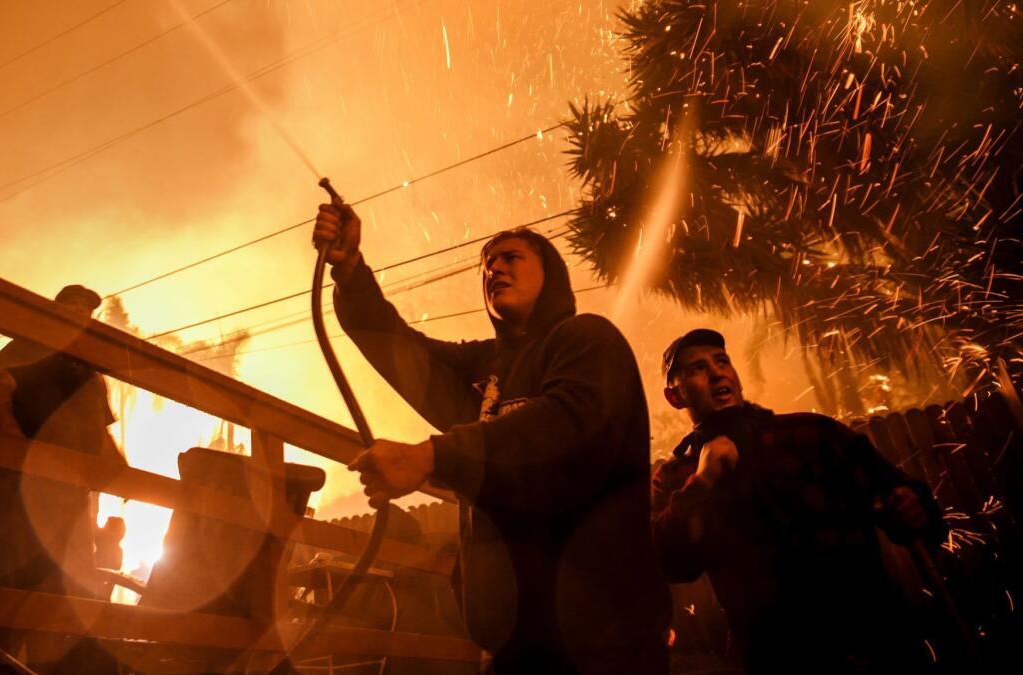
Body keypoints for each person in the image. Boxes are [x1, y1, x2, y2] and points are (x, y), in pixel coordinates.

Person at [313, 204, 671, 674]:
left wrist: (431, 456)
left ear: (552, 276)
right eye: (487, 265)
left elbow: (567, 423)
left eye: (511, 257)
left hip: (606, 640)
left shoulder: (588, 340)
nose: (494, 269)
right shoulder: (483, 374)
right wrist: (351, 273)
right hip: (513, 642)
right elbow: (403, 350)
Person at [650, 329, 946, 674]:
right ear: (675, 396)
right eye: (698, 369)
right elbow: (669, 563)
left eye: (722, 361)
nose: (718, 373)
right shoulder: (675, 477)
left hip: (875, 643)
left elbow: (906, 499)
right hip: (779, 658)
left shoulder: (811, 434)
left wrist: (913, 507)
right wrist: (702, 484)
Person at [0, 284, 125, 672]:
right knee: (21, 582)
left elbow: (103, 429)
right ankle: (3, 665)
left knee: (67, 588)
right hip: (27, 488)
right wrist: (14, 441)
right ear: (56, 308)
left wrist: (122, 476)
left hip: (75, 495)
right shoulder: (31, 345)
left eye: (86, 310)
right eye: (73, 306)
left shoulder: (91, 373)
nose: (80, 314)